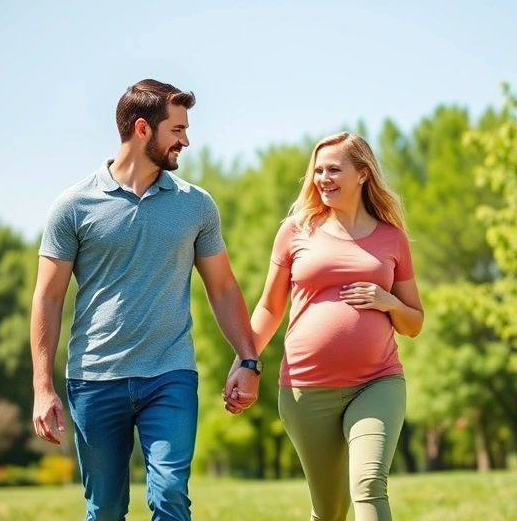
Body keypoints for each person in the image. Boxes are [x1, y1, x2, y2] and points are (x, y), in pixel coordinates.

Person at [30, 78, 261, 521]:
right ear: (142, 129)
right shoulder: (73, 206)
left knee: (171, 495)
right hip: (95, 378)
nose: (186, 141)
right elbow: (48, 296)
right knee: (105, 509)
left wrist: (248, 360)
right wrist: (43, 387)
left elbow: (224, 288)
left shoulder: (196, 206)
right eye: (177, 130)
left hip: (169, 374)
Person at [225, 131, 424, 521]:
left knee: (368, 484)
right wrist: (244, 362)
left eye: (334, 169)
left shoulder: (392, 238)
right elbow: (269, 307)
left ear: (363, 174)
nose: (323, 178)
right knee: (330, 510)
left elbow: (414, 322)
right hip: (305, 389)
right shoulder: (296, 230)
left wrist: (388, 301)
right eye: (318, 170)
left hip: (377, 381)